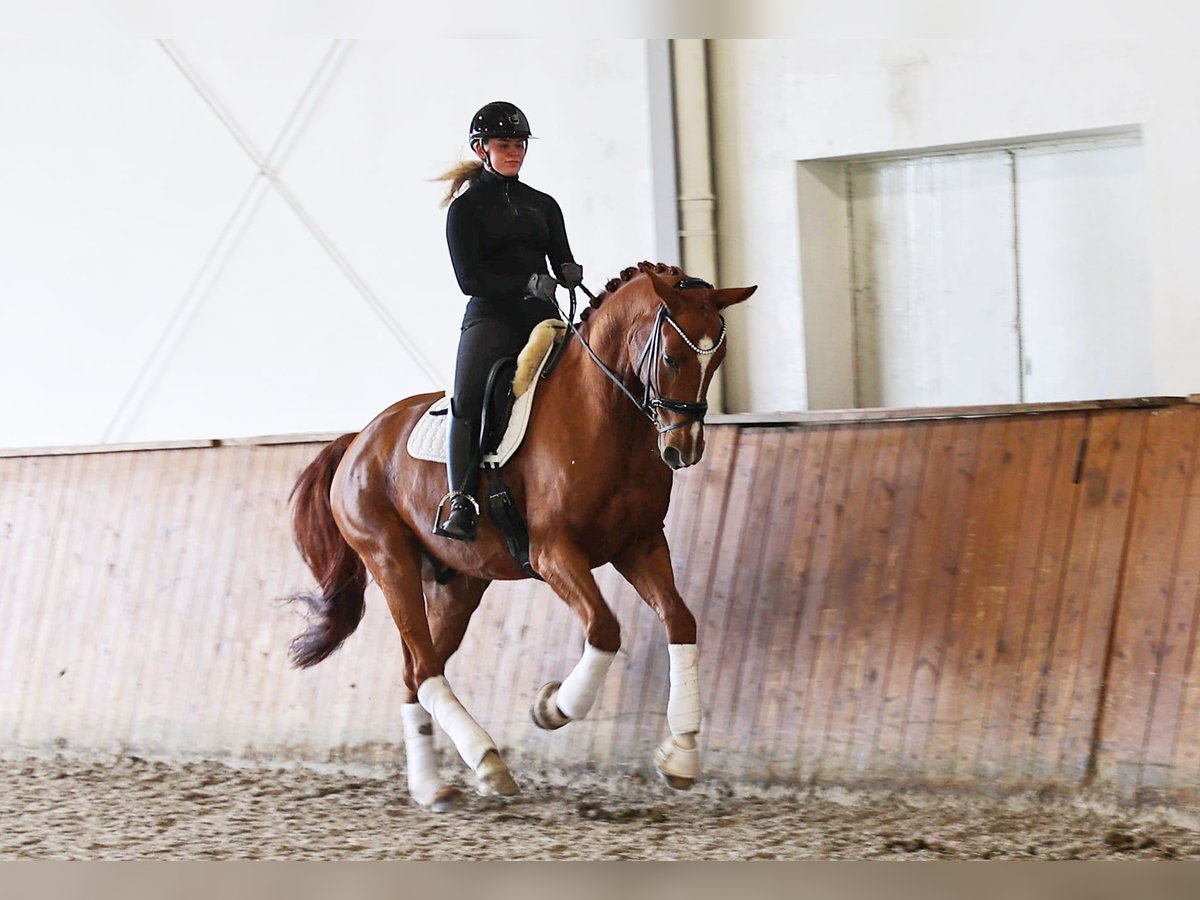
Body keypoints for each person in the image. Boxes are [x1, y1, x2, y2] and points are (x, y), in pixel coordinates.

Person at [432, 100, 583, 542]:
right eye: (505, 144)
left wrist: (570, 270)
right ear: (482, 149)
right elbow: (469, 279)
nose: (515, 152)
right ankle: (460, 498)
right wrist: (525, 282)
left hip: (542, 317)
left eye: (520, 145)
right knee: (468, 397)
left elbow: (562, 255)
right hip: (492, 318)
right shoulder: (466, 210)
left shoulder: (544, 204)